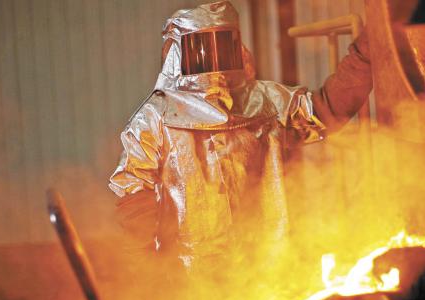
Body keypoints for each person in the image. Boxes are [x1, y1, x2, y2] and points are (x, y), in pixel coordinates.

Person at [109, 1, 372, 268]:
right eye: (200, 46)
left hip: (264, 270)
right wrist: (146, 272)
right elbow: (134, 196)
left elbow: (324, 111)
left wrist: (368, 51)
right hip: (192, 280)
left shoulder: (264, 101)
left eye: (221, 43)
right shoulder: (156, 117)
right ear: (178, 53)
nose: (212, 55)